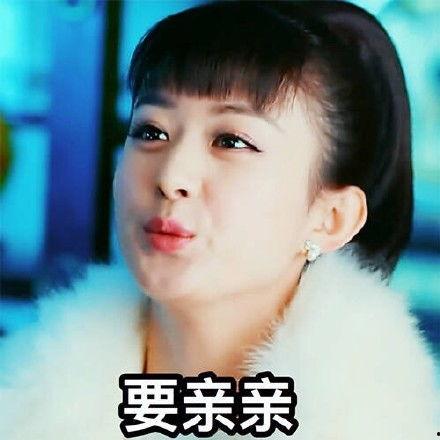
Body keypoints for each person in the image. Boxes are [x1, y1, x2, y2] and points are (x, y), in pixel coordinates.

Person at [0, 1, 438, 439]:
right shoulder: (25, 397)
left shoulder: (377, 424)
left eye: (231, 141)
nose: (172, 177)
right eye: (151, 132)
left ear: (331, 218)